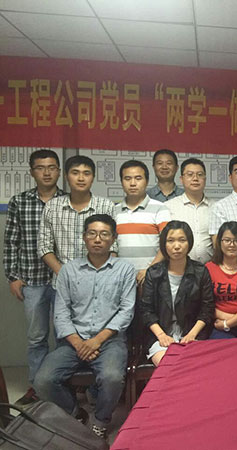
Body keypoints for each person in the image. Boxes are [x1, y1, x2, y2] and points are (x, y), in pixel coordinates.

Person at [34, 214, 136, 439]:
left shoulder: (125, 270)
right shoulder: (69, 270)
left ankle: (100, 421)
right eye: (92, 233)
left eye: (104, 234)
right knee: (42, 380)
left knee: (111, 377)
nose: (98, 239)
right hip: (74, 341)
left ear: (113, 239)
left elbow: (126, 311)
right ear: (84, 237)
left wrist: (96, 341)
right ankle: (75, 414)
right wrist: (79, 343)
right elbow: (61, 312)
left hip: (110, 341)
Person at [3, 149, 65, 405]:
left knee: (64, 337)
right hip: (32, 280)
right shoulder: (20, 201)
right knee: (37, 338)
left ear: (59, 171)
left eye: (51, 167)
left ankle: (62, 386)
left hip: (63, 282)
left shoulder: (67, 200)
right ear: (32, 172)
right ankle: (38, 388)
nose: (46, 172)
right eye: (40, 168)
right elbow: (11, 241)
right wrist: (12, 276)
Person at [140, 221, 214, 366]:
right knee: (170, 365)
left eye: (182, 240)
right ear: (164, 244)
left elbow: (207, 309)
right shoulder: (154, 273)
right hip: (159, 336)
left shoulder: (201, 271)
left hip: (193, 334)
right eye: (171, 241)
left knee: (191, 365)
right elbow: (146, 311)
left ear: (189, 243)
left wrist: (192, 334)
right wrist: (161, 335)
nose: (177, 246)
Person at [38, 155, 116, 287]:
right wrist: (63, 273)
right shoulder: (52, 206)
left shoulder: (106, 206)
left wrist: (102, 275)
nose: (81, 178)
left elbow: (113, 246)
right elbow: (44, 246)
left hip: (99, 282)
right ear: (66, 176)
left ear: (93, 177)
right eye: (75, 173)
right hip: (63, 282)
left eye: (86, 173)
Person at [116, 160, 171, 285]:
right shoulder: (114, 211)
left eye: (138, 178)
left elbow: (167, 243)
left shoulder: (160, 208)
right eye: (127, 178)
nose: (133, 183)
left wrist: (150, 270)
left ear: (146, 181)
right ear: (121, 182)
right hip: (122, 278)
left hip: (152, 277)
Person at [165, 158, 213, 263]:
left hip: (209, 268)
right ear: (181, 179)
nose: (195, 178)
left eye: (200, 175)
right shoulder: (168, 207)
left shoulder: (216, 207)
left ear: (205, 179)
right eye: (190, 174)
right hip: (178, 267)